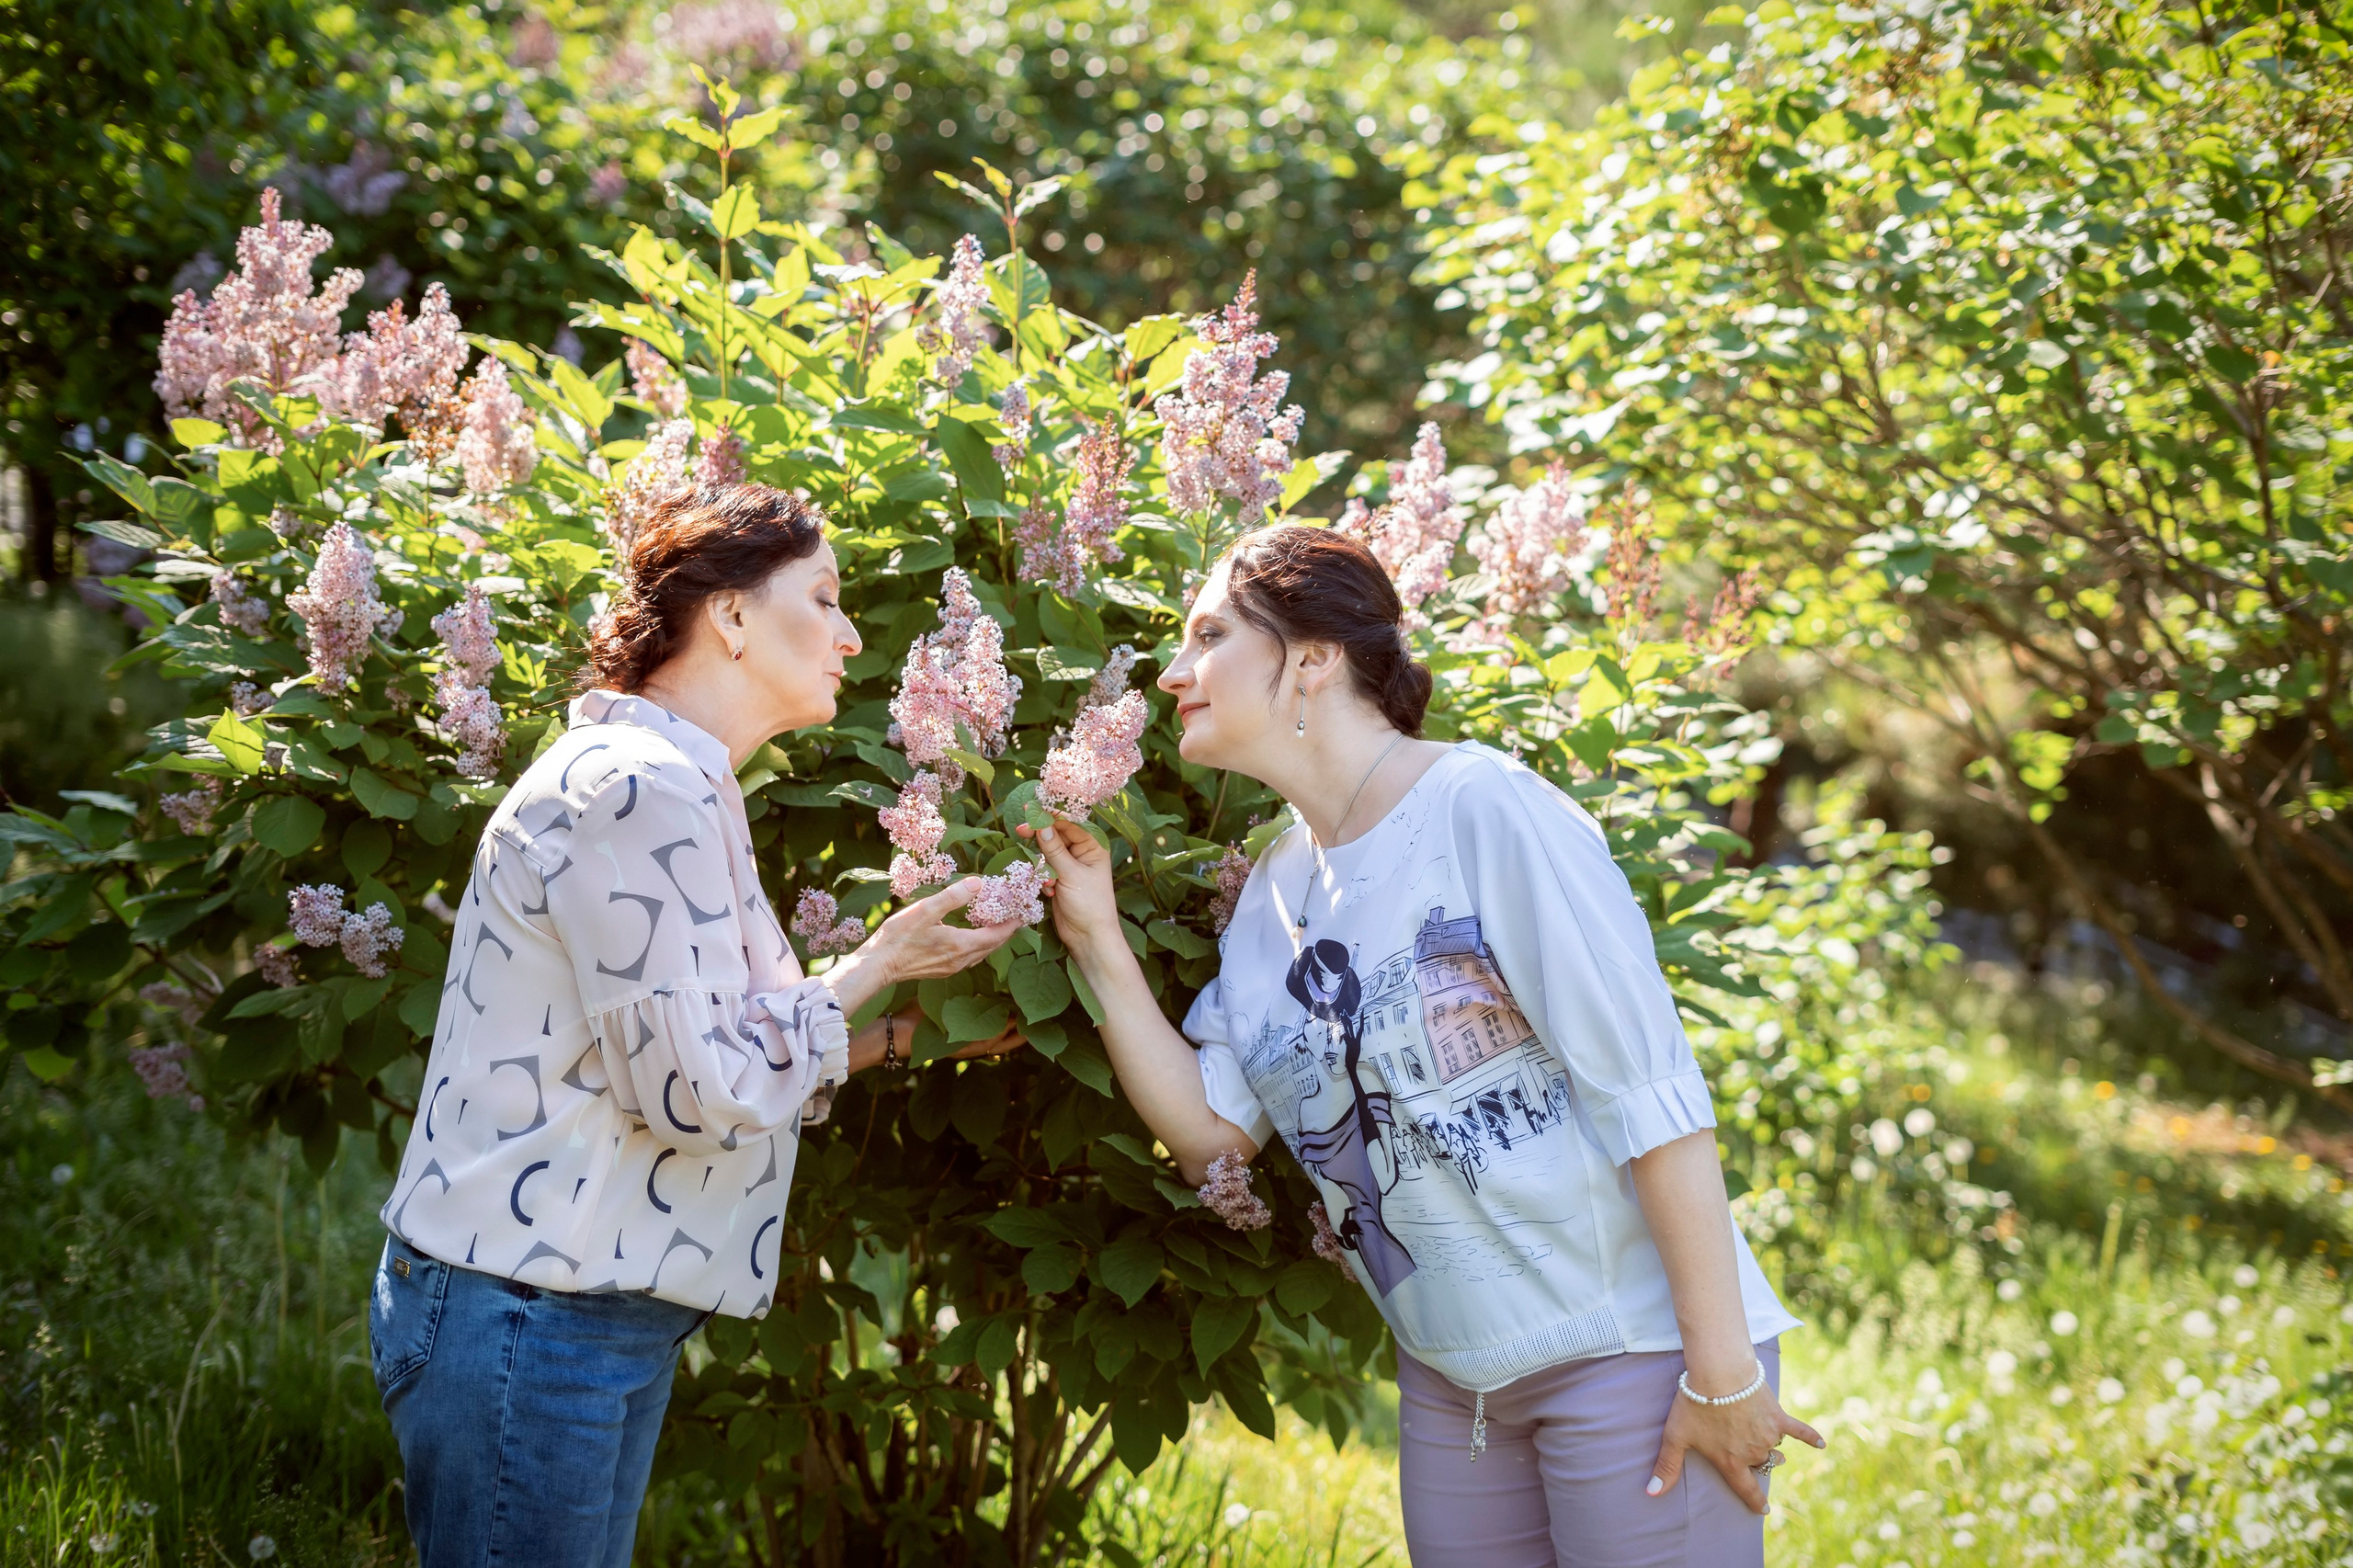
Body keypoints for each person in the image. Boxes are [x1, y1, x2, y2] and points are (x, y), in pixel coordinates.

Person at [1020, 524, 1824, 1568]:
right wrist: (1095, 940)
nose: (1174, 672)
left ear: (1314, 657)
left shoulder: (1480, 806)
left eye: (1209, 636)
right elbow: (1212, 1137)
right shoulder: (1271, 894)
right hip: (1453, 1386)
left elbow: (1649, 1090)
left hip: (1634, 1351)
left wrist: (1719, 1375)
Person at [369, 484, 1023, 1565]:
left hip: (569, 1308)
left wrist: (894, 1035)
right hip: (535, 1312)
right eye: (823, 597)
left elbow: (681, 1053)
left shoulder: (674, 781)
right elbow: (695, 1094)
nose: (851, 636)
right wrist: (876, 965)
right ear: (729, 615)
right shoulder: (635, 788)